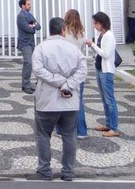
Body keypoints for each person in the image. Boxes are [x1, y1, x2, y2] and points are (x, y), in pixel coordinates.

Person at [30, 17, 86, 182]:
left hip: (47, 101)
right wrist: (67, 84)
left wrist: (59, 81)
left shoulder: (41, 48)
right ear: (63, 30)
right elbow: (83, 71)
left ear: (50, 30)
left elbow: (38, 70)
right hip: (70, 100)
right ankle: (68, 172)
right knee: (69, 136)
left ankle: (44, 170)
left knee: (43, 135)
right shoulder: (74, 49)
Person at [85, 11, 120, 137]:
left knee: (110, 99)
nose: (94, 25)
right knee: (104, 99)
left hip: (106, 71)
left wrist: (92, 44)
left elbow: (106, 54)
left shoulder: (109, 36)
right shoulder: (102, 35)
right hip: (100, 69)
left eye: (96, 23)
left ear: (102, 23)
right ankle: (108, 123)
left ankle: (114, 127)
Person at [59, 9, 87, 139]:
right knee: (78, 101)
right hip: (78, 69)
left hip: (66, 70)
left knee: (61, 100)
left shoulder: (64, 33)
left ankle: (61, 130)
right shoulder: (81, 33)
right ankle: (82, 131)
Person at [16, 0, 41, 95]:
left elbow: (38, 26)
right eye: (28, 4)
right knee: (28, 63)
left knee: (33, 63)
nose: (30, 6)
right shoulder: (21, 16)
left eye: (30, 4)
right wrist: (32, 27)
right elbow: (28, 29)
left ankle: (28, 83)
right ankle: (25, 84)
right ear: (22, 6)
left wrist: (33, 26)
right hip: (24, 43)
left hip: (31, 43)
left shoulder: (30, 15)